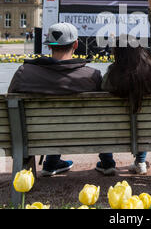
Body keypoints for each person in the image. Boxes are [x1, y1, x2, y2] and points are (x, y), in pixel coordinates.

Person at [8, 22, 102, 176]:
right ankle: (107, 162)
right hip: (85, 134)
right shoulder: (92, 76)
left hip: (35, 136)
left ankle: (51, 163)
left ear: (49, 46)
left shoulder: (24, 74)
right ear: (76, 44)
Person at [96, 0, 151, 176]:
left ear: (116, 56)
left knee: (102, 120)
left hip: (113, 133)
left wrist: (116, 47)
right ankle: (141, 161)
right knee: (143, 116)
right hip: (148, 131)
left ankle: (107, 162)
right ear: (142, 52)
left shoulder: (109, 79)